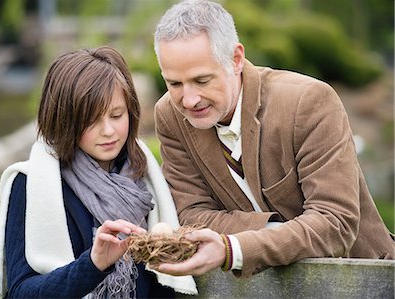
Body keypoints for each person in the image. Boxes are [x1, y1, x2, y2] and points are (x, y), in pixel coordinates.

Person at [152, 0, 395, 278]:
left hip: (359, 278)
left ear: (236, 59)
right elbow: (192, 216)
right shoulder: (168, 115)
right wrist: (280, 234)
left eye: (202, 80)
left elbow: (335, 223)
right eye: (174, 84)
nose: (189, 99)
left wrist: (233, 248)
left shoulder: (309, 101)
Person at [0, 47, 197, 298]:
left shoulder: (144, 177)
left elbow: (160, 288)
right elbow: (21, 292)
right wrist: (93, 264)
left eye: (116, 115)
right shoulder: (32, 183)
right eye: (92, 120)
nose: (109, 130)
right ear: (64, 120)